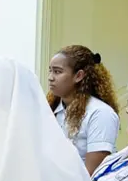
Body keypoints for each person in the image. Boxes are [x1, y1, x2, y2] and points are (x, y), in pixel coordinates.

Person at [48, 45, 120, 174]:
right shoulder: (52, 109)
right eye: (50, 71)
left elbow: (92, 173)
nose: (50, 77)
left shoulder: (100, 113)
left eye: (57, 71)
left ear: (79, 76)